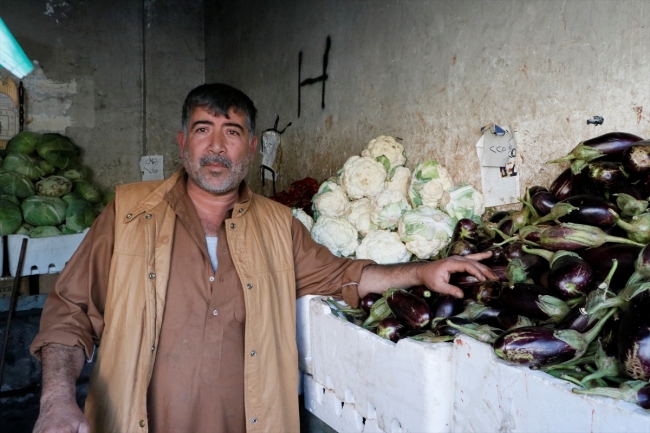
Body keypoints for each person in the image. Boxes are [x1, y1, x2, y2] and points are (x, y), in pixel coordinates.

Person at [30, 83, 495, 433]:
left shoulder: (279, 225)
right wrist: (55, 399)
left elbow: (344, 275)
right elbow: (69, 312)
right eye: (202, 130)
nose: (216, 147)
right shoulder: (128, 212)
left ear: (251, 147)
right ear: (182, 142)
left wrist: (422, 271)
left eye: (231, 133)